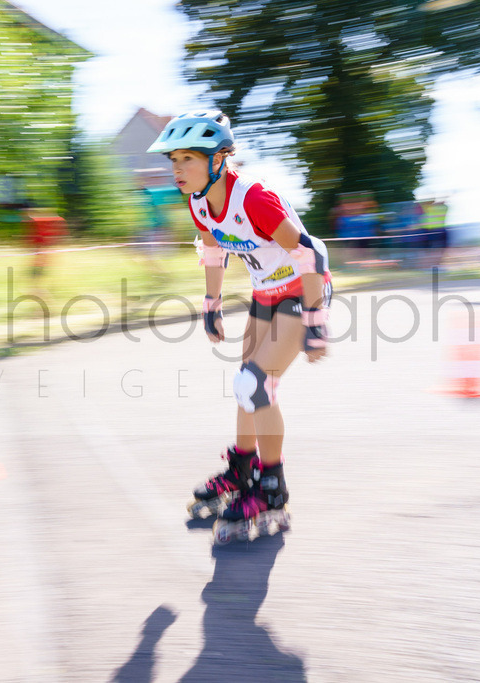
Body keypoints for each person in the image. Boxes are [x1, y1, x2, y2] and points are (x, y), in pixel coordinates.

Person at [147, 111, 332, 544]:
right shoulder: (197, 201)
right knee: (245, 388)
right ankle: (243, 468)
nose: (177, 169)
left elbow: (311, 253)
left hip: (300, 290)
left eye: (187, 159)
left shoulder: (252, 199)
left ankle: (272, 490)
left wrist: (316, 321)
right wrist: (211, 303)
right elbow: (213, 247)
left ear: (217, 160)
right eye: (173, 159)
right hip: (265, 293)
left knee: (255, 385)